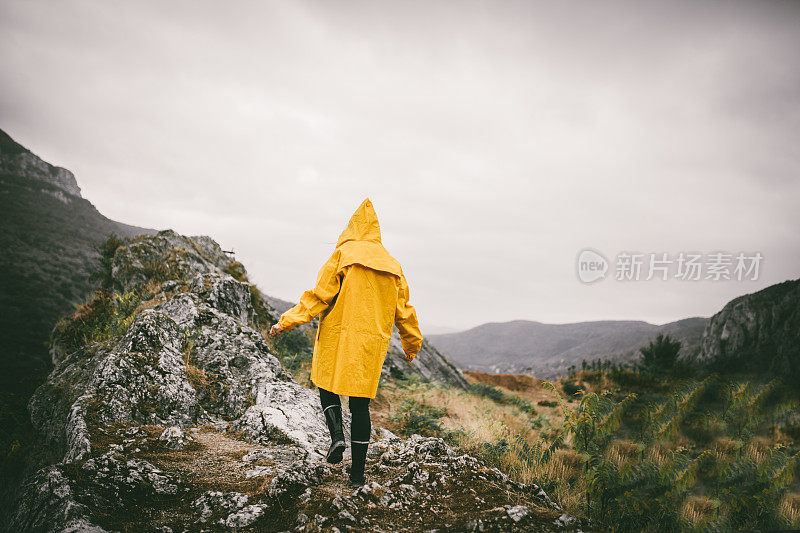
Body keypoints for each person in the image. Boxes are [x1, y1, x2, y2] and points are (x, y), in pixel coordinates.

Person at [269, 198, 423, 487]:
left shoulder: (343, 254)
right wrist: (412, 345)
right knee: (361, 406)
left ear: (352, 228)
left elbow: (319, 296)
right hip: (370, 344)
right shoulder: (393, 265)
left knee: (325, 385)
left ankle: (337, 437)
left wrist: (285, 322)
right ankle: (357, 476)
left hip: (338, 336)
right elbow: (404, 311)